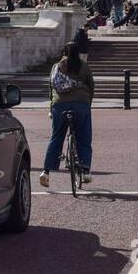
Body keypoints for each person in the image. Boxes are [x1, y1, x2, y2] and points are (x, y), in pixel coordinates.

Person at [40, 30, 94, 188]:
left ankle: (46, 172)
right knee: (84, 137)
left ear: (64, 52)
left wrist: (52, 107)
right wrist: (87, 103)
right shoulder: (84, 66)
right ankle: (85, 171)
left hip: (60, 105)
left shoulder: (57, 67)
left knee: (56, 138)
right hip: (81, 104)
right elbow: (91, 86)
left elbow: (51, 87)